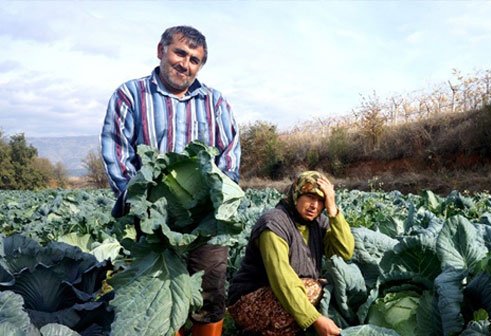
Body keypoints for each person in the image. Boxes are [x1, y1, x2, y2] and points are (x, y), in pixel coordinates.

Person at [100, 25, 240, 336]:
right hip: (150, 221)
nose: (185, 63)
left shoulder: (214, 102)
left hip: (206, 221)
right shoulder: (130, 95)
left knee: (211, 293)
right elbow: (116, 154)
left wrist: (215, 207)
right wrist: (142, 207)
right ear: (161, 50)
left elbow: (230, 154)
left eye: (195, 60)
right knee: (155, 298)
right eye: (180, 53)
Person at [228, 171, 354, 336]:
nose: (314, 206)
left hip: (281, 294)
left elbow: (344, 252)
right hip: (247, 300)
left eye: (321, 201)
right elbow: (282, 279)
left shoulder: (318, 223)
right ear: (296, 194)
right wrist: (315, 319)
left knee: (327, 286)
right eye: (310, 197)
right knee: (314, 289)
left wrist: (333, 211)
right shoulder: (274, 224)